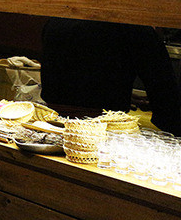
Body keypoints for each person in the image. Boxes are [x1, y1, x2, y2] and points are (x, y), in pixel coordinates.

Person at [41, 17, 181, 134]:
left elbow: (71, 79)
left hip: (47, 124)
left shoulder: (57, 20)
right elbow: (168, 107)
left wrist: (116, 91)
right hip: (105, 131)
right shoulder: (135, 28)